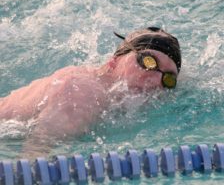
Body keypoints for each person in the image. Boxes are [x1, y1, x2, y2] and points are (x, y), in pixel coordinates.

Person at [0, 27, 181, 157]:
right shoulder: (80, 92)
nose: (154, 79)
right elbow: (34, 156)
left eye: (168, 79)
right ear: (114, 61)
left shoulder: (114, 100)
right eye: (148, 61)